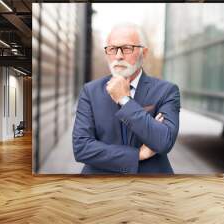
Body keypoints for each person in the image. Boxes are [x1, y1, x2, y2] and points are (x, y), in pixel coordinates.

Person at [72, 23, 180, 174]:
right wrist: (137, 155)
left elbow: (163, 142)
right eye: (112, 49)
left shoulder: (167, 91)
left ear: (144, 52)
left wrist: (124, 100)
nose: (118, 56)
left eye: (127, 48)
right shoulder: (90, 91)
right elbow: (81, 148)